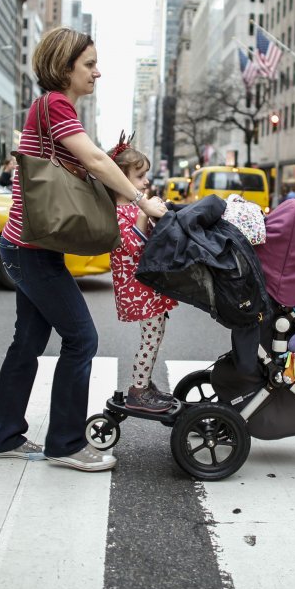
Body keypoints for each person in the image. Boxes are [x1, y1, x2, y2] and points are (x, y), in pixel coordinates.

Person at [0, 26, 168, 472]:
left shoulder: (51, 109)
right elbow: (95, 161)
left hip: (27, 247)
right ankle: (65, 444)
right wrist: (142, 200)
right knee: (82, 339)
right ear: (64, 68)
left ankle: (2, 436)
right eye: (89, 64)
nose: (97, 72)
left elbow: (92, 165)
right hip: (29, 250)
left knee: (27, 342)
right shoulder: (54, 104)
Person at [106, 134, 178, 413]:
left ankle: (144, 384)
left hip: (146, 286)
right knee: (150, 338)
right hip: (138, 289)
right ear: (119, 179)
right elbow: (134, 247)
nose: (145, 181)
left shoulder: (130, 208)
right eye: (139, 176)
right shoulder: (119, 212)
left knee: (155, 336)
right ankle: (138, 390)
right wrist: (143, 212)